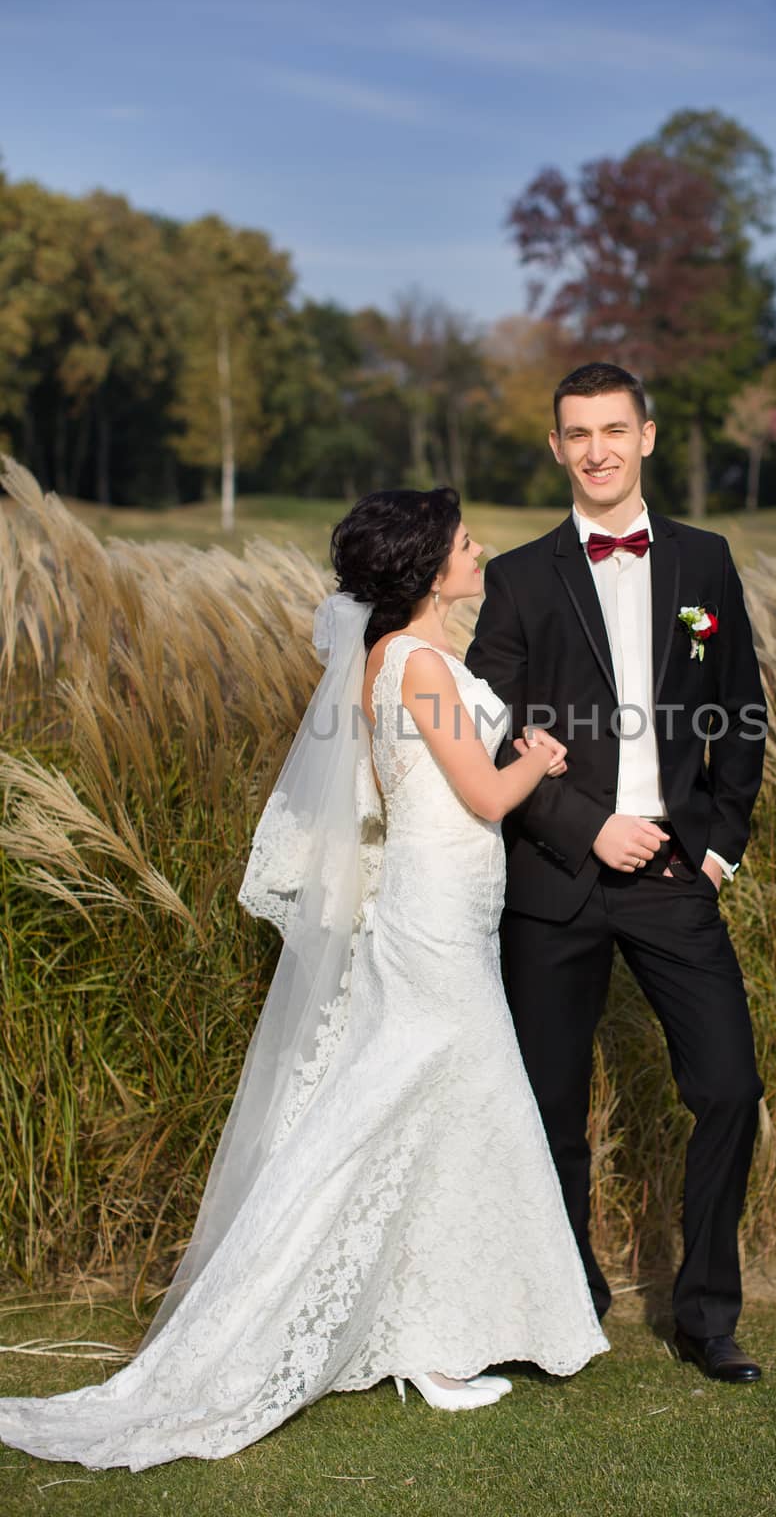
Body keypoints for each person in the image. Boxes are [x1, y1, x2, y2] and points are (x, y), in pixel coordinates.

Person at [0, 487, 608, 1471]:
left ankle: (429, 1338)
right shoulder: (415, 664)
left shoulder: (391, 659)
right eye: (462, 542)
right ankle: (381, 1329)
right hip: (435, 912)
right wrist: (534, 755)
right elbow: (484, 790)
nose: (477, 549)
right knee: (421, 1101)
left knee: (443, 1107)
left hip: (447, 900)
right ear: (424, 566)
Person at [466, 362, 768, 1384]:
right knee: (548, 1109)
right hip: (555, 879)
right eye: (575, 432)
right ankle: (569, 1299)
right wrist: (581, 825)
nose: (595, 448)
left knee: (728, 1086)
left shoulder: (707, 563)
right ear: (555, 447)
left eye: (612, 428)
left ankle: (703, 1311)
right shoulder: (515, 577)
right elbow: (488, 729)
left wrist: (718, 844)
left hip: (678, 876)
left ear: (645, 434)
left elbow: (742, 711)